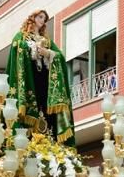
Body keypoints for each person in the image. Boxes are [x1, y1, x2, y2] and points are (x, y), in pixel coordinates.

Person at [6, 9, 75, 146]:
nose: (42, 20)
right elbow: (16, 48)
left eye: (44, 18)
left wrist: (47, 53)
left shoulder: (47, 41)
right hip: (30, 80)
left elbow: (60, 56)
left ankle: (49, 142)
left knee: (46, 113)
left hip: (44, 81)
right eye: (40, 16)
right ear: (33, 17)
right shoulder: (21, 37)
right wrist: (31, 48)